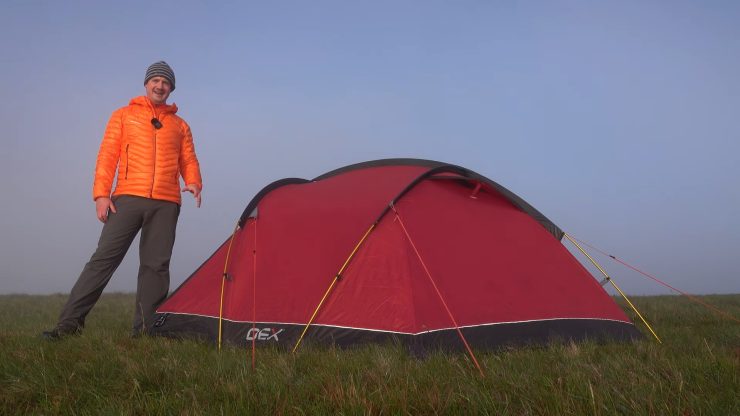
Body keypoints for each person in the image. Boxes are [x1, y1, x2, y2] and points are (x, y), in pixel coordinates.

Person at [43, 61, 202, 339]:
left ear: (171, 88)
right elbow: (107, 156)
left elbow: (187, 159)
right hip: (126, 198)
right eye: (155, 80)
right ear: (146, 84)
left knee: (156, 267)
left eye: (165, 82)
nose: (160, 86)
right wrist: (101, 195)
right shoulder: (123, 116)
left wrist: (194, 182)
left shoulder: (180, 125)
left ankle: (146, 332)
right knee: (103, 260)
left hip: (166, 202)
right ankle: (68, 326)